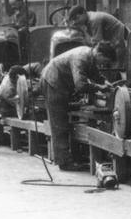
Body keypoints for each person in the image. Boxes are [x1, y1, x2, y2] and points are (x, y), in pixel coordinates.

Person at [39, 43, 117, 171]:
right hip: (52, 81)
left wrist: (104, 82)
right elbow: (80, 85)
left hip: (61, 83)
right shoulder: (81, 58)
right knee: (59, 123)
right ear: (99, 54)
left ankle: (69, 157)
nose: (104, 64)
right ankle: (64, 162)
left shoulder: (90, 56)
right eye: (105, 61)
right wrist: (99, 88)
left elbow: (94, 74)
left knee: (63, 120)